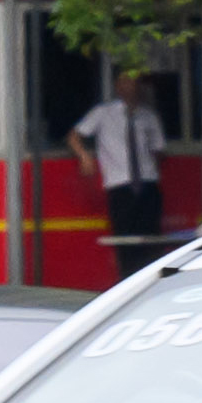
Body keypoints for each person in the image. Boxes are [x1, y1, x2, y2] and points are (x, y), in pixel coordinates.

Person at [71, 61, 172, 273]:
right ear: (117, 86)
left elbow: (159, 149)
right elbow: (75, 136)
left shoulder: (148, 116)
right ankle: (127, 279)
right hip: (120, 185)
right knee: (125, 240)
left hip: (148, 184)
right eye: (126, 82)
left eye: (135, 82)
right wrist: (84, 156)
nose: (131, 87)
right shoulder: (103, 113)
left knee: (151, 239)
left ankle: (151, 279)